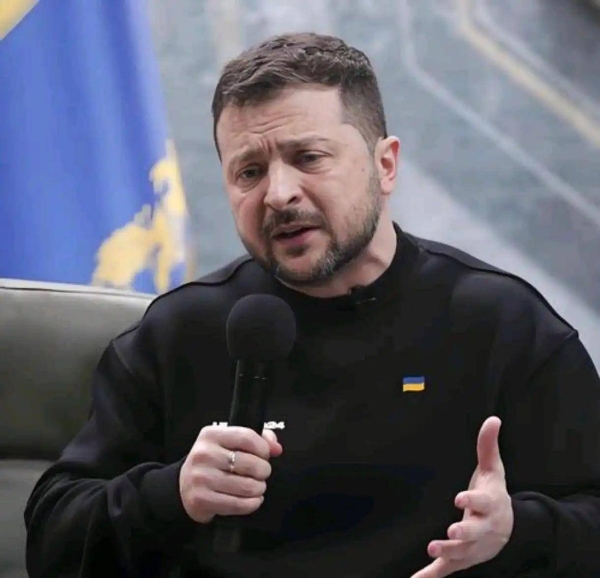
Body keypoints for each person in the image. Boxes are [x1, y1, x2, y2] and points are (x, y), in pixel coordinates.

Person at [24, 32, 600, 578]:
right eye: (250, 172)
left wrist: (518, 532)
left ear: (385, 166)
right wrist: (170, 495)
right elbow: (52, 542)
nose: (278, 194)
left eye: (308, 157)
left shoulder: (500, 323)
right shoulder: (181, 331)